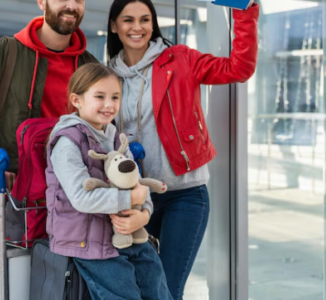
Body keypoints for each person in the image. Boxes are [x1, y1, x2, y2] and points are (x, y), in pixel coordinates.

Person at [106, 0, 259, 298]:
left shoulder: (180, 60)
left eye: (144, 19)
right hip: (134, 199)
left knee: (167, 290)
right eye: (127, 20)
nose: (137, 27)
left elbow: (238, 68)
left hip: (184, 196)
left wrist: (244, 10)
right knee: (138, 288)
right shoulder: (105, 75)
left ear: (153, 24)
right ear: (114, 26)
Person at [0, 0, 97, 298]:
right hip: (13, 201)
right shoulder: (3, 53)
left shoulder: (89, 66)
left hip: (72, 203)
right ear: (42, 1)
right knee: (4, 288)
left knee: (63, 289)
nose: (71, 5)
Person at [45, 63, 173, 300]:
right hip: (87, 243)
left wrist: (144, 214)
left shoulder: (116, 138)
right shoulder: (67, 143)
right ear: (77, 100)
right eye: (100, 96)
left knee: (157, 286)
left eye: (115, 97)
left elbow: (139, 185)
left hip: (126, 234)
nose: (109, 104)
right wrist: (130, 198)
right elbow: (82, 198)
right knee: (123, 293)